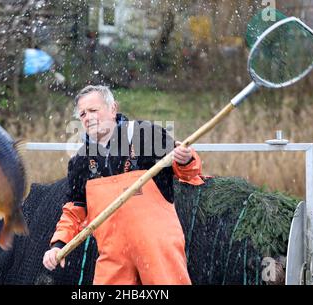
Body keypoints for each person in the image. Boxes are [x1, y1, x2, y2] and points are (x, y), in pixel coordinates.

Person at [43, 85, 205, 284]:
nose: (87, 117)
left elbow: (190, 174)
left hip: (158, 247)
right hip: (113, 254)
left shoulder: (146, 134)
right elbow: (74, 210)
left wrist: (185, 158)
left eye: (93, 110)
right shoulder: (80, 162)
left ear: (113, 109)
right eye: (82, 114)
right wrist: (58, 244)